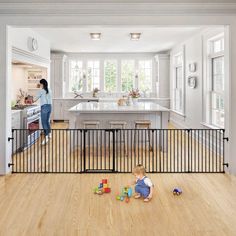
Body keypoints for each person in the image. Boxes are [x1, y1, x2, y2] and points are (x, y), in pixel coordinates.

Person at [34, 79, 52, 145]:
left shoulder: (41, 91)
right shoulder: (50, 90)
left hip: (44, 107)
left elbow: (35, 99)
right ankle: (49, 134)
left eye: (40, 84)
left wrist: (30, 99)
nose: (40, 85)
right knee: (47, 121)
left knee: (44, 123)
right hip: (50, 107)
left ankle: (46, 137)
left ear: (42, 84)